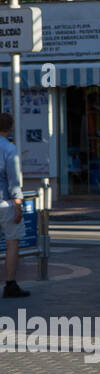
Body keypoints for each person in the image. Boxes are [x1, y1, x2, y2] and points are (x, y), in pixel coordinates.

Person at [0, 113, 25, 299]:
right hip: (4, 202)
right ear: (9, 128)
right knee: (12, 243)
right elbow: (14, 179)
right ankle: (10, 284)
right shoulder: (9, 148)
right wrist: (18, 204)